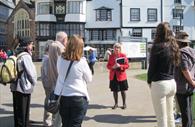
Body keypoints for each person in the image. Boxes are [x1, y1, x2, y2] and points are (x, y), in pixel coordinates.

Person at [54, 35, 92, 127]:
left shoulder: (60, 59)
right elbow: (89, 79)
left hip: (63, 96)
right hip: (78, 97)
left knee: (65, 123)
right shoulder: (82, 62)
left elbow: (60, 73)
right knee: (75, 124)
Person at [147, 22, 180, 127]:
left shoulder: (157, 47)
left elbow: (151, 68)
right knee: (170, 116)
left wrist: (149, 81)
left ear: (158, 32)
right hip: (172, 83)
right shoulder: (174, 47)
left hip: (160, 83)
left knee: (161, 118)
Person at [10, 37, 37, 127]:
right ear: (27, 45)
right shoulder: (25, 56)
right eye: (31, 44)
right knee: (24, 113)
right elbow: (31, 73)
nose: (32, 46)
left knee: (17, 112)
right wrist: (34, 83)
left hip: (14, 86)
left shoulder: (16, 53)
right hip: (23, 87)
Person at [174, 31, 195, 127]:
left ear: (179, 42)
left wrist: (192, 82)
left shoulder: (181, 53)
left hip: (182, 86)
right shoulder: (192, 51)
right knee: (188, 109)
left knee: (185, 111)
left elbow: (185, 70)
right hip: (190, 85)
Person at [48, 31, 68, 127]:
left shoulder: (51, 46)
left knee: (54, 105)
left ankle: (53, 123)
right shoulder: (60, 48)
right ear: (64, 39)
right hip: (59, 81)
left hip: (52, 79)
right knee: (60, 108)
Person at [107, 42, 129, 109]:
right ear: (113, 48)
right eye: (115, 47)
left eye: (118, 47)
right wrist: (112, 67)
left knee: (123, 91)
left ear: (120, 49)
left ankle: (124, 104)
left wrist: (120, 66)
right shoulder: (111, 56)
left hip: (121, 76)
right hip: (113, 76)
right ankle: (116, 104)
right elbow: (108, 66)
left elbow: (127, 65)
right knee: (114, 91)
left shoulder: (123, 56)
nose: (117, 49)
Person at [41, 40, 53, 127]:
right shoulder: (48, 59)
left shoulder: (45, 57)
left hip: (47, 84)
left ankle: (47, 121)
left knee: (48, 101)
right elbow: (48, 73)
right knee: (49, 102)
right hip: (49, 84)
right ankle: (47, 122)